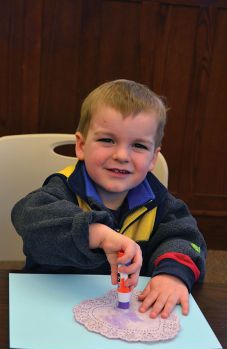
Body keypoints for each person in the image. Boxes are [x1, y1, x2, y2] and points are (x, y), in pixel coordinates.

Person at [11, 79, 206, 319]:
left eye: (138, 145)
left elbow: (187, 238)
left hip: (124, 318)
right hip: (51, 310)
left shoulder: (160, 202)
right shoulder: (62, 188)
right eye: (107, 140)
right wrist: (95, 233)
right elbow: (28, 218)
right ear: (81, 146)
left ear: (154, 158)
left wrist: (172, 275)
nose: (122, 155)